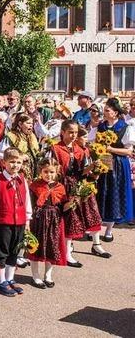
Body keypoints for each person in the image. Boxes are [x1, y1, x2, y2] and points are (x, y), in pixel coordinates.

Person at [51, 121, 108, 266]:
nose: (73, 135)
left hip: (79, 184)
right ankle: (67, 251)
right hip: (64, 185)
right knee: (70, 217)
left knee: (89, 212)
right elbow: (54, 170)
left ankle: (95, 244)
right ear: (62, 132)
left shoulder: (80, 150)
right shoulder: (55, 148)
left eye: (75, 132)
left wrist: (92, 168)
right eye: (70, 132)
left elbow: (81, 172)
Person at [0, 147, 32, 297]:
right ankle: (0, 281)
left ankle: (10, 279)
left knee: (15, 251)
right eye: (12, 162)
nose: (15, 165)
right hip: (4, 221)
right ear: (4, 162)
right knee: (3, 251)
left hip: (20, 222)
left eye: (18, 162)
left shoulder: (22, 179)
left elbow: (27, 201)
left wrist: (27, 219)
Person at [92, 97, 135, 242]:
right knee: (102, 194)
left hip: (118, 164)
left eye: (107, 110)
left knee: (114, 195)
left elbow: (129, 151)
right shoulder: (101, 126)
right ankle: (96, 229)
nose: (104, 112)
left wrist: (111, 149)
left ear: (115, 112)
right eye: (104, 110)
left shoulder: (125, 127)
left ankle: (109, 230)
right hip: (103, 162)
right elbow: (91, 141)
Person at [28, 158, 68, 289]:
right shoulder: (34, 186)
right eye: (45, 171)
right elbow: (30, 205)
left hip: (55, 221)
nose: (48, 174)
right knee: (35, 247)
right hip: (39, 220)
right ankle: (35, 275)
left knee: (52, 247)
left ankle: (48, 275)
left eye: (51, 172)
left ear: (56, 171)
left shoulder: (60, 187)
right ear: (40, 171)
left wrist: (74, 201)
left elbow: (63, 206)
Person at [0, 113, 40, 181]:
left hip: (31, 171)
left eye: (32, 123)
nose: (31, 125)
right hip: (17, 170)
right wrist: (18, 156)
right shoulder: (11, 136)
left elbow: (36, 151)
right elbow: (2, 152)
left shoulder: (32, 135)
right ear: (20, 124)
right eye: (28, 123)